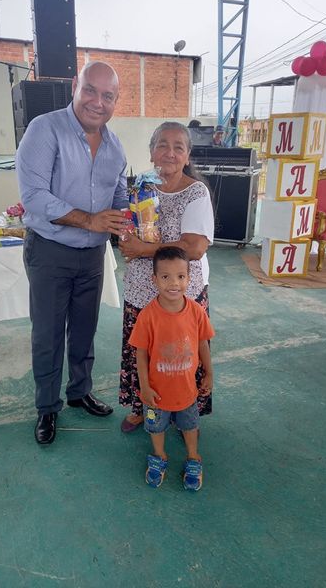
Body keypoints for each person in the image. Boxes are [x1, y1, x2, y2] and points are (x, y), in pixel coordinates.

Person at [16, 61, 128, 445]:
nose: (98, 102)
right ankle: (48, 407)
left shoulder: (115, 147)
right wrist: (90, 220)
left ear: (116, 100)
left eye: (108, 95)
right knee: (48, 334)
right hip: (50, 250)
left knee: (84, 329)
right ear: (75, 86)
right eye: (90, 90)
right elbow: (34, 197)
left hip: (92, 256)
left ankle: (80, 391)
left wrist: (134, 218)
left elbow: (119, 196)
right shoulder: (44, 129)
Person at [119, 121, 215, 432]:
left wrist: (142, 249)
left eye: (178, 147)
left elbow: (194, 247)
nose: (169, 153)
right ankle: (142, 408)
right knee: (144, 354)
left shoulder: (195, 192)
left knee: (181, 355)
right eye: (162, 145)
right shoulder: (140, 189)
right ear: (151, 152)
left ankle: (184, 411)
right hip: (141, 292)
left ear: (187, 156)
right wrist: (126, 239)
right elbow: (128, 232)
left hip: (180, 294)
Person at [129, 246, 215, 490]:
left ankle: (193, 457)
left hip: (187, 391)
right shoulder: (147, 316)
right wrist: (145, 387)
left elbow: (203, 343)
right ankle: (159, 455)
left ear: (189, 278)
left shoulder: (196, 312)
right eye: (165, 276)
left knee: (190, 425)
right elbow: (141, 353)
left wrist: (209, 373)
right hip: (155, 395)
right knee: (155, 426)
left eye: (180, 276)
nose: (174, 283)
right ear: (154, 279)